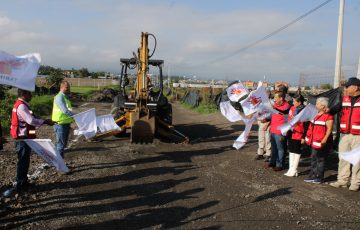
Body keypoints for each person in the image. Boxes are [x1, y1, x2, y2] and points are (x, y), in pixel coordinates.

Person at [3, 89, 55, 198]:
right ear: (23, 94)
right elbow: (31, 121)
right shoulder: (21, 106)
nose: (31, 95)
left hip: (25, 137)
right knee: (23, 161)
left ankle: (24, 181)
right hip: (22, 138)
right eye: (29, 93)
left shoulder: (22, 105)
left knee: (25, 160)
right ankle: (21, 185)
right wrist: (45, 121)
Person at [329, 77, 360, 191]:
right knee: (343, 158)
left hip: (358, 136)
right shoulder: (345, 99)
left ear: (356, 87)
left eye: (348, 86)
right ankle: (342, 180)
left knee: (357, 161)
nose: (345, 88)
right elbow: (335, 109)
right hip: (345, 134)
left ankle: (355, 183)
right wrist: (328, 110)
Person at [304, 97, 333, 184]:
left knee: (320, 159)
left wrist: (324, 139)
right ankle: (312, 175)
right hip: (314, 141)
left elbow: (329, 129)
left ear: (323, 106)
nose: (315, 105)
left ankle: (319, 177)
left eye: (317, 104)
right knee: (313, 158)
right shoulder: (315, 114)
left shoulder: (328, 116)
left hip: (322, 142)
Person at [267, 91, 290, 171]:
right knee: (274, 148)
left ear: (281, 98)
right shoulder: (275, 106)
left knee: (280, 149)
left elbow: (286, 117)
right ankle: (273, 162)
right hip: (273, 130)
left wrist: (284, 133)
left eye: (276, 97)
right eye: (274, 97)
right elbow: (272, 116)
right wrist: (265, 119)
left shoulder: (287, 107)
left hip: (280, 132)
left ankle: (279, 164)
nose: (274, 99)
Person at [284, 94, 306, 177]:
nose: (293, 103)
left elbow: (306, 124)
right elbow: (288, 117)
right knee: (291, 150)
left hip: (298, 132)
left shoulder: (303, 110)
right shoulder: (292, 108)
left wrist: (304, 136)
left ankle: (294, 169)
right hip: (291, 132)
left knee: (296, 151)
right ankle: (290, 169)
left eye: (294, 101)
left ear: (299, 102)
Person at [52, 81, 74, 159]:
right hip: (60, 124)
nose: (68, 89)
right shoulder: (59, 97)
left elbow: (68, 110)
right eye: (66, 87)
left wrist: (72, 119)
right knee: (60, 145)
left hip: (65, 123)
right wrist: (75, 116)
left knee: (62, 144)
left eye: (68, 87)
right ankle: (60, 165)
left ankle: (58, 161)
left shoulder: (65, 97)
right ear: (61, 87)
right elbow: (65, 111)